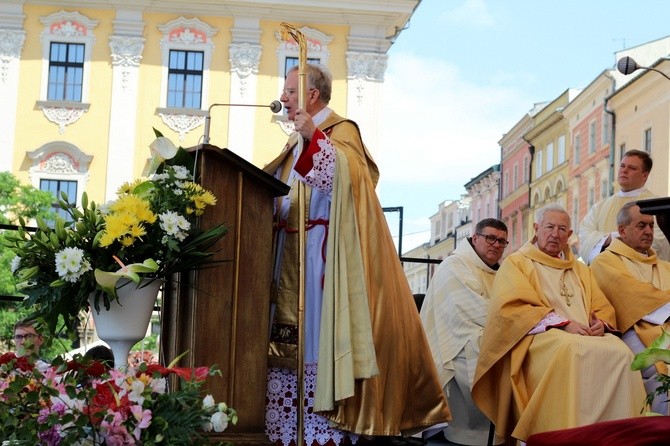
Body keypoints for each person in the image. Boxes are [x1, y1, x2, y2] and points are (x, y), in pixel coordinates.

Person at [263, 64, 450, 445]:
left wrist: (314, 138)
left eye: (291, 92)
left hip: (321, 257)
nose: (284, 98)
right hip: (290, 251)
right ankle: (289, 429)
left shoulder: (340, 131)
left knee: (317, 338)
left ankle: (323, 427)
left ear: (313, 95)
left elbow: (349, 180)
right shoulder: (297, 137)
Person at [471, 204, 646, 442]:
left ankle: (614, 436)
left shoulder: (580, 269)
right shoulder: (517, 263)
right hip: (538, 337)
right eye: (549, 227)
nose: (555, 234)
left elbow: (602, 304)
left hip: (584, 333)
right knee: (571, 349)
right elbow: (513, 309)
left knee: (622, 352)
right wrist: (564, 324)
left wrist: (601, 323)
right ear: (536, 228)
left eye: (562, 229)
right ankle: (566, 435)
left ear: (569, 235)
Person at [420, 218, 508, 446]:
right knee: (477, 351)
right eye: (490, 238)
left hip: (491, 331)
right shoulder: (455, 265)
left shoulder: (502, 273)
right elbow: (472, 313)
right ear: (474, 238)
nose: (496, 245)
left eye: (502, 241)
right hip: (451, 340)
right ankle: (472, 432)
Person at [590, 202, 670, 415]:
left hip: (665, 330)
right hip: (633, 331)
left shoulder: (663, 265)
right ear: (622, 230)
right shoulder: (605, 262)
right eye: (641, 225)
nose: (648, 231)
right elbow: (634, 297)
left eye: (651, 226)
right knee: (659, 368)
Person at [579, 149, 669, 264]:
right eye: (622, 166)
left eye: (632, 168)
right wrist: (612, 237)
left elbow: (658, 242)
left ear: (645, 176)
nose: (624, 170)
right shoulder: (600, 207)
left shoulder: (657, 206)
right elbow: (585, 235)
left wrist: (607, 240)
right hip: (601, 274)